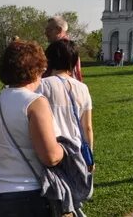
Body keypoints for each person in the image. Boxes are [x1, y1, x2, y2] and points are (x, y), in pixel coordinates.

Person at [0, 40, 65, 216]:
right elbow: (50, 156)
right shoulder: (34, 102)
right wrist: (64, 149)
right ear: (38, 69)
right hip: (24, 195)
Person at [38, 40, 94, 214]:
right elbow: (88, 127)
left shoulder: (42, 85)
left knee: (56, 200)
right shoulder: (82, 88)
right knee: (73, 199)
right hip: (76, 152)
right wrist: (89, 157)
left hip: (52, 150)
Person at [44, 16, 83, 81]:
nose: (45, 33)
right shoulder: (62, 48)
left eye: (49, 30)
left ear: (59, 30)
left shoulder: (65, 49)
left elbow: (74, 74)